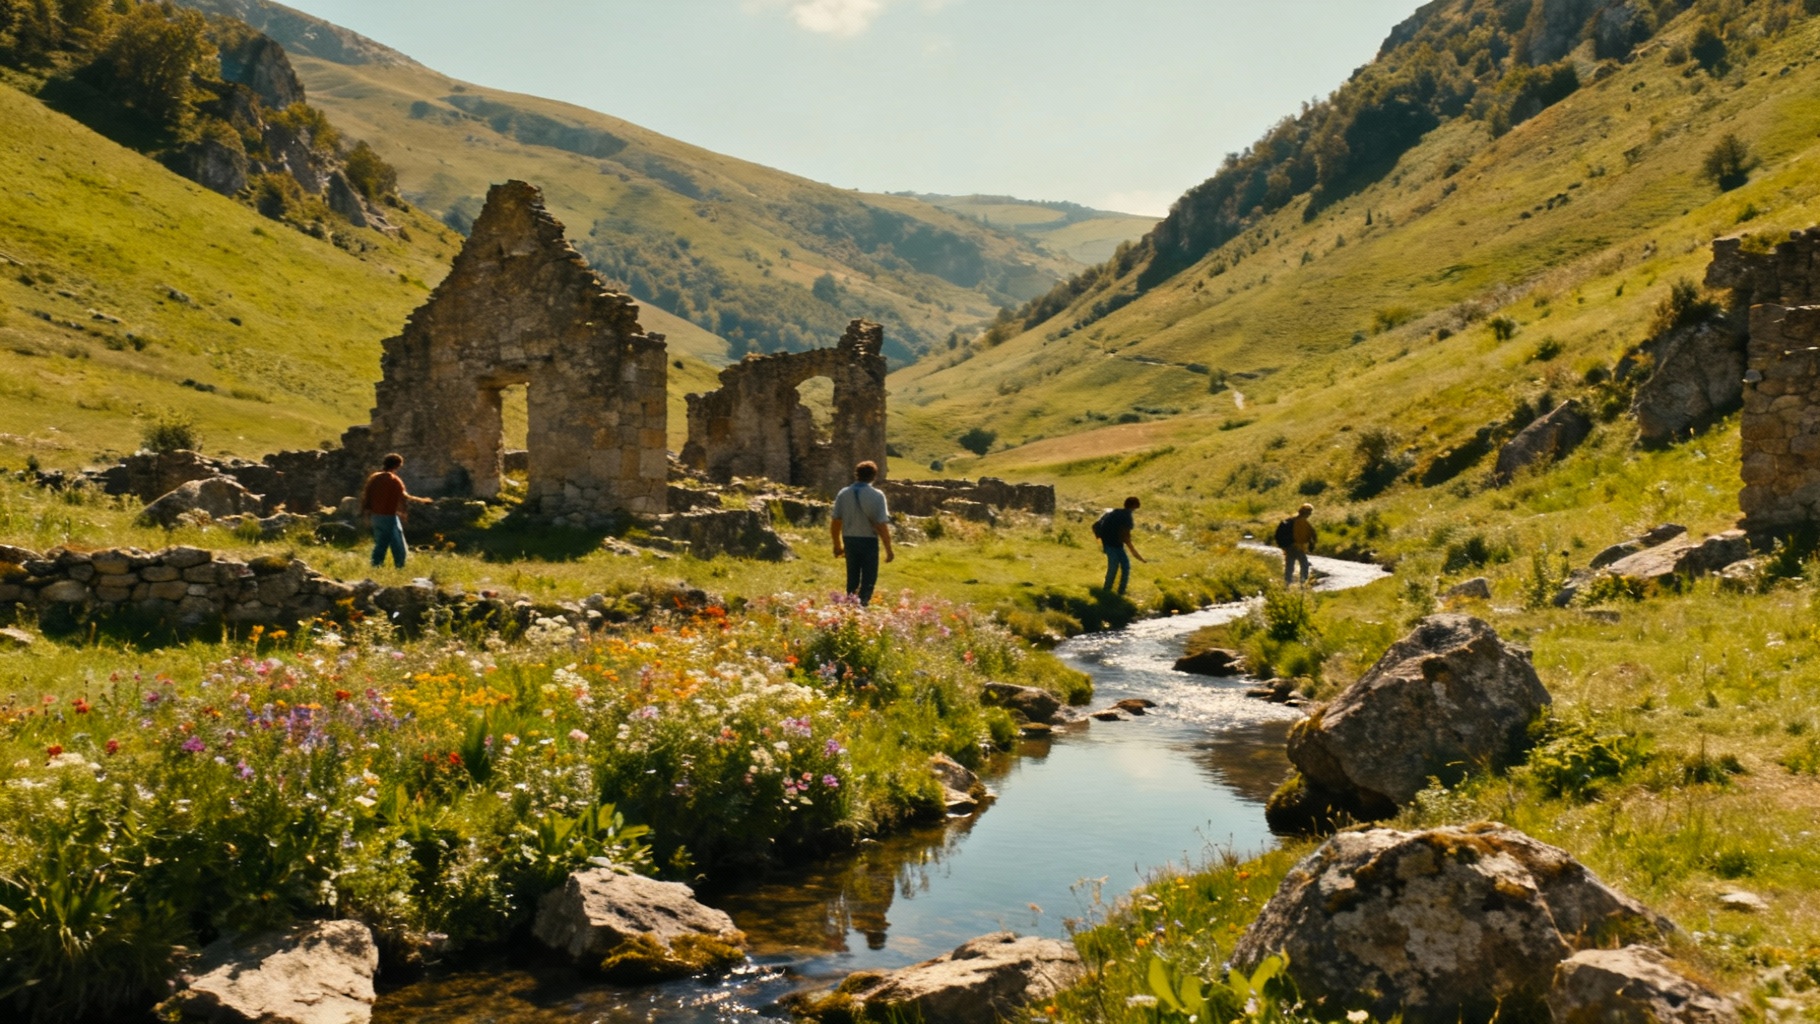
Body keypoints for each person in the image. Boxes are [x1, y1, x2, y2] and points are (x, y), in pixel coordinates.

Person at [831, 460, 894, 605]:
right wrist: (888, 549)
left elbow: (836, 522)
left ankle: (850, 606)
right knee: (869, 578)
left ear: (856, 474)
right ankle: (862, 607)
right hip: (869, 540)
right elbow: (881, 525)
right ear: (874, 476)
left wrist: (837, 544)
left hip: (849, 539)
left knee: (852, 577)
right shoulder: (877, 496)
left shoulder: (843, 494)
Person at [360, 453, 431, 569]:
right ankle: (397, 567)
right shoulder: (394, 480)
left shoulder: (374, 478)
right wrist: (423, 500)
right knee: (397, 544)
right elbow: (404, 496)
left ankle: (376, 565)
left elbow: (367, 495)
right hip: (388, 517)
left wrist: (366, 511)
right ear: (397, 466)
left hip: (375, 516)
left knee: (381, 542)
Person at [1097, 496, 1146, 596]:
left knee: (1116, 566)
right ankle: (1115, 592)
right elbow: (1126, 537)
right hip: (1114, 545)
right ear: (1133, 506)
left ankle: (1109, 591)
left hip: (1109, 543)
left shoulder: (1116, 512)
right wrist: (1135, 553)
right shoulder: (1127, 517)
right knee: (1122, 567)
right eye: (1135, 508)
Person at [1279, 502, 1317, 586]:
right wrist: (1312, 544)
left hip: (1289, 547)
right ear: (1306, 512)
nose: (1310, 514)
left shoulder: (1291, 520)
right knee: (1304, 564)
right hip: (1297, 547)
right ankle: (1303, 583)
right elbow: (1312, 533)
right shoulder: (1302, 522)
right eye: (1309, 512)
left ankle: (1287, 584)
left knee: (1289, 566)